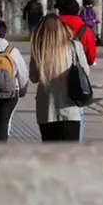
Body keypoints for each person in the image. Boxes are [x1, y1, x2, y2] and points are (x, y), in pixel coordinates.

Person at [29, 13, 90, 142]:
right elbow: (86, 72)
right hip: (70, 109)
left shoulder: (39, 49)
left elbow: (33, 77)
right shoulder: (74, 46)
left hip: (46, 110)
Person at [54, 0, 97, 142]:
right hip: (76, 80)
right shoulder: (84, 29)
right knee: (77, 114)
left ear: (59, 9)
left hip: (52, 76)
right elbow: (91, 58)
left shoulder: (51, 27)